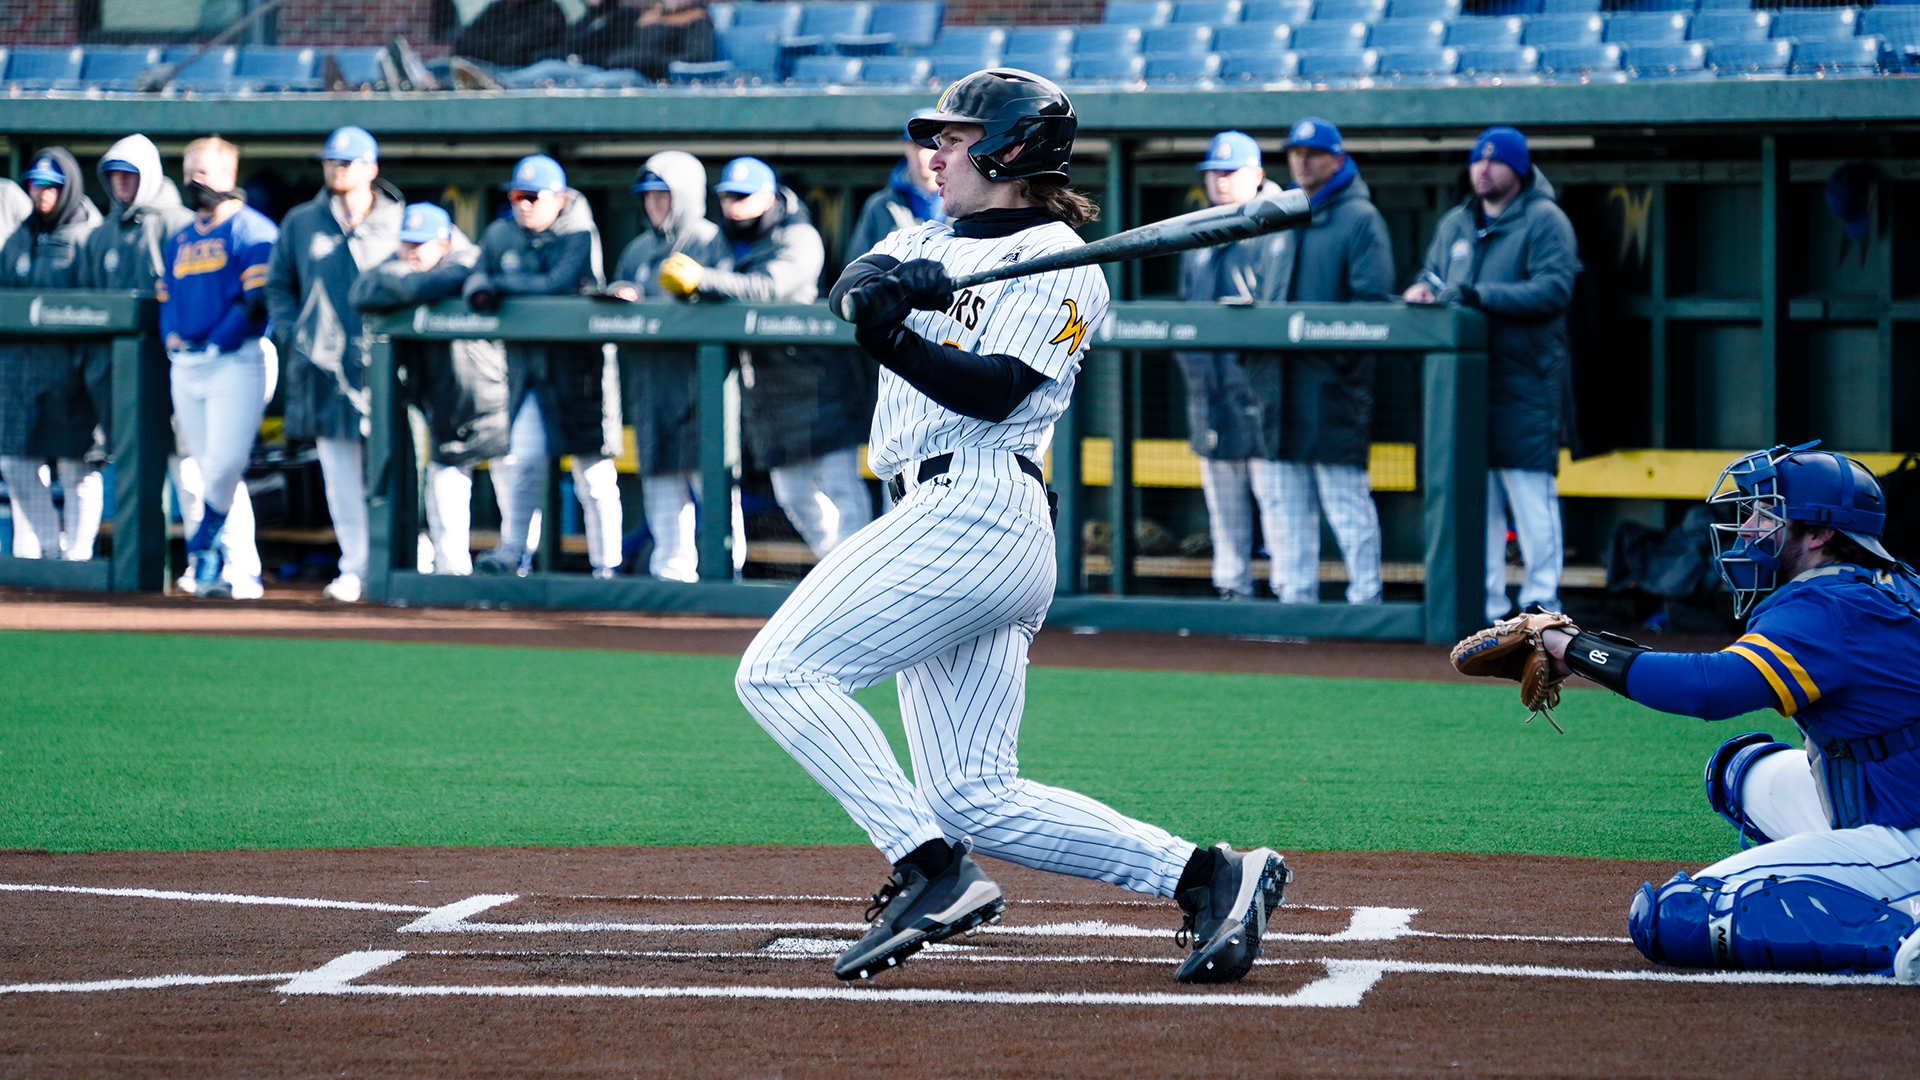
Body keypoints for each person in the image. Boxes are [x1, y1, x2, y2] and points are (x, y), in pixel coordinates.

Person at [735, 69, 1289, 986]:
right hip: (944, 516)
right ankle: (1208, 876)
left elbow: (994, 393)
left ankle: (929, 870)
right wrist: (888, 288)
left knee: (781, 672)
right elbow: (854, 280)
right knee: (973, 794)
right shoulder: (927, 235)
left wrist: (900, 337)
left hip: (978, 503)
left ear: (1008, 149)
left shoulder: (1064, 263)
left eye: (954, 139)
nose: (936, 152)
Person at [1532, 443, 1920, 983]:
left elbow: (1708, 688)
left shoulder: (1829, 609)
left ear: (1818, 533)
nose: (1745, 530)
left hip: (1907, 835)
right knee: (1737, 769)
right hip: (1893, 803)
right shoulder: (1883, 582)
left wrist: (1573, 648)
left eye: (1765, 514)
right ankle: (1849, 885)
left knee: (1676, 919)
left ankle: (1904, 941)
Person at [1405, 126, 1578, 624]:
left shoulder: (1545, 219)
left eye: (1495, 162)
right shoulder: (1456, 222)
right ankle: (1489, 606)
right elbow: (1433, 276)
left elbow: (1554, 290)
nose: (1483, 169)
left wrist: (1479, 294)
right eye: (1478, 161)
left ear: (1518, 169)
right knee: (1478, 502)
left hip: (1525, 380)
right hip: (1465, 385)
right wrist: (1422, 290)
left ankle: (1542, 604)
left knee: (1531, 497)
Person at [659, 157, 871, 561]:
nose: (733, 206)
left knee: (840, 486)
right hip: (769, 388)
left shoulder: (799, 234)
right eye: (727, 197)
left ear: (769, 197)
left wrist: (704, 280)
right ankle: (837, 572)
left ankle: (860, 580)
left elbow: (774, 288)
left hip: (817, 377)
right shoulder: (722, 239)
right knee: (792, 493)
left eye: (743, 197)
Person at [1249, 118, 1393, 605]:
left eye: (1313, 152)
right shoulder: (1281, 213)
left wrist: (1340, 365)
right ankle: (1297, 603)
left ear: (1337, 157)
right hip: (1279, 386)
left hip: (1331, 386)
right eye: (1294, 152)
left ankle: (1366, 603)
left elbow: (1373, 306)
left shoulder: (1360, 217)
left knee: (1345, 503)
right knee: (1285, 508)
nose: (1302, 160)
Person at [465, 154, 623, 578]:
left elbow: (557, 285)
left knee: (593, 474)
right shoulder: (500, 232)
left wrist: (501, 285)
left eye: (534, 196)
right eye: (518, 195)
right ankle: (514, 551)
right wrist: (486, 283)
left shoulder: (579, 231)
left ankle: (606, 569)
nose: (525, 204)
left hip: (581, 367)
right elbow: (476, 278)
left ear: (560, 198)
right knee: (524, 459)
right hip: (529, 366)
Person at [266, 126, 404, 603]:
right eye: (330, 162)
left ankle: (403, 558)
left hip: (386, 369)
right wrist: (294, 333)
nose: (335, 169)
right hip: (322, 370)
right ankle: (355, 565)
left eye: (345, 163)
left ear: (371, 168)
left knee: (395, 470)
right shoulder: (302, 221)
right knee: (340, 475)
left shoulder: (400, 220)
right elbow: (277, 284)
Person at [350, 202, 509, 576]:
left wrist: (399, 280)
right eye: (407, 243)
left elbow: (421, 283)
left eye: (423, 243)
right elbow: (358, 293)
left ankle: (520, 576)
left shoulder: (470, 259)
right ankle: (451, 584)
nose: (415, 251)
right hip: (443, 409)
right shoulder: (401, 262)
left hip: (497, 405)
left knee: (516, 506)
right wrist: (402, 276)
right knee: (446, 507)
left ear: (445, 240)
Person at [158, 137, 279, 599]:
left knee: (226, 464)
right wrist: (172, 333)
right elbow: (166, 295)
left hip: (238, 359)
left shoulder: (252, 230)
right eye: (190, 171)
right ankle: (239, 567)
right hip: (186, 364)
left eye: (205, 172)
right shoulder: (181, 237)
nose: (196, 181)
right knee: (206, 469)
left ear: (229, 176)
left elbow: (257, 304)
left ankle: (205, 547)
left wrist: (216, 340)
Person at [608, 152, 730, 582]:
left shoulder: (711, 239)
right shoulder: (637, 249)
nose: (655, 204)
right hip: (651, 381)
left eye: (663, 194)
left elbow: (727, 299)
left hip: (703, 381)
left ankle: (725, 576)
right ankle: (670, 576)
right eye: (648, 196)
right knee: (659, 479)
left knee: (710, 483)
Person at [1173, 130, 1282, 599]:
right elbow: (1185, 308)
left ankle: (1286, 592)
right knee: (1224, 503)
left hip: (1258, 388)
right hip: (1210, 390)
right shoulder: (1199, 229)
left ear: (1256, 175)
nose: (1218, 180)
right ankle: (1232, 589)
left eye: (1229, 171)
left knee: (1276, 501)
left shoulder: (1276, 225)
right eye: (1213, 172)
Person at [0, 149, 100, 561]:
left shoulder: (88, 234)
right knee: (14, 463)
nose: (41, 194)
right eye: (36, 185)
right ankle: (49, 547)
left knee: (77, 468)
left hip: (74, 372)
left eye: (50, 186)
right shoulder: (21, 236)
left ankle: (78, 553)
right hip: (24, 373)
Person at [846, 111, 947, 263]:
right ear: (905, 148)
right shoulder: (880, 206)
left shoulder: (968, 204)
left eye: (929, 145)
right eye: (915, 146)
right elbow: (857, 269)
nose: (922, 154)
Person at [564, 0, 715, 81]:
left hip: (647, 76)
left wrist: (652, 62)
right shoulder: (648, 18)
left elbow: (698, 56)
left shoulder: (697, 20)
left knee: (594, 85)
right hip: (617, 67)